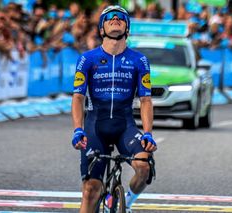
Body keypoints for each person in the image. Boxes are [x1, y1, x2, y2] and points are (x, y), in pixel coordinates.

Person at [71, 5, 157, 213]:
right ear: (102, 29)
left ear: (127, 27)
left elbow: (145, 100)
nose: (115, 19)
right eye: (109, 17)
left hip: (124, 125)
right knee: (91, 190)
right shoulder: (87, 59)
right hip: (95, 125)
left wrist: (148, 133)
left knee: (144, 168)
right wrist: (77, 129)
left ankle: (127, 201)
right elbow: (78, 97)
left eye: (121, 17)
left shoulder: (139, 60)